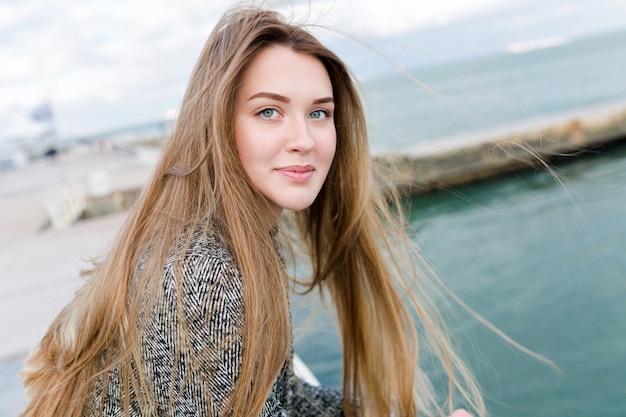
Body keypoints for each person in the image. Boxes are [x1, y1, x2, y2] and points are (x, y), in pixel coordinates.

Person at [20, 5, 485, 417]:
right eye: (269, 112)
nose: (303, 138)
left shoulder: (236, 237)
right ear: (219, 124)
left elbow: (286, 397)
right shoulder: (206, 274)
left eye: (319, 113)